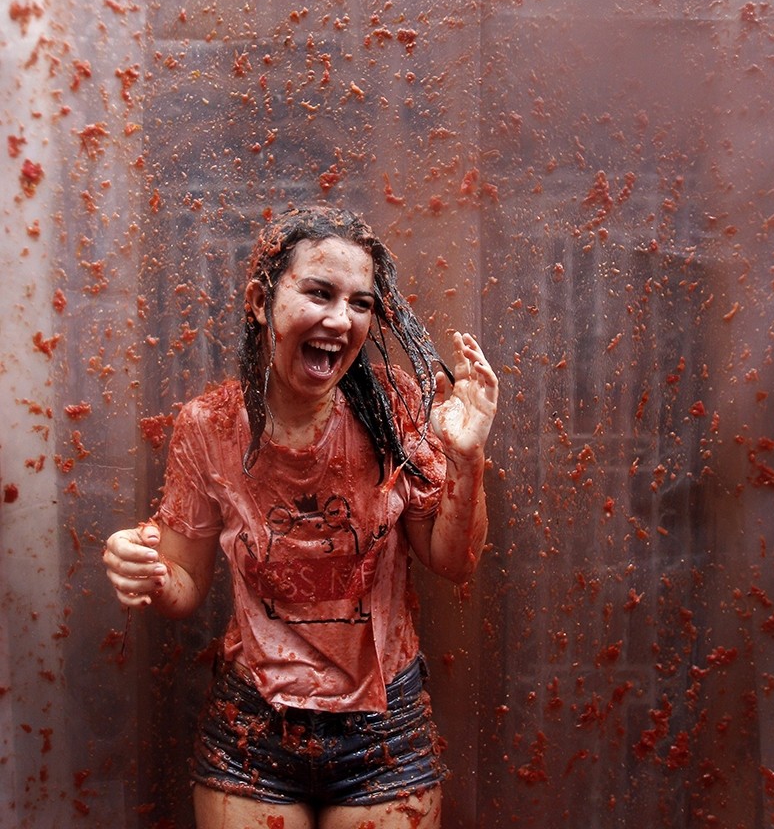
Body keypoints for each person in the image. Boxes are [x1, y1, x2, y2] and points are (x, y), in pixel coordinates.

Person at [103, 204, 498, 829]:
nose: (340, 319)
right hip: (251, 728)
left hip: (384, 731)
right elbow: (183, 586)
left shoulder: (396, 408)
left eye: (361, 303)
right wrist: (144, 567)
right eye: (318, 292)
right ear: (262, 301)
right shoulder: (209, 426)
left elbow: (453, 561)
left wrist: (467, 458)